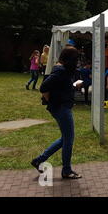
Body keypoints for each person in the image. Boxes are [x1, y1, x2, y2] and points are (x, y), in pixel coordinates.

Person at [31, 46, 82, 179]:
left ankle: (39, 160)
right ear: (69, 59)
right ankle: (66, 170)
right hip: (62, 109)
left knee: (65, 138)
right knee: (68, 139)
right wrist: (52, 103)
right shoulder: (60, 71)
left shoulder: (61, 70)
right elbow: (43, 87)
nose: (76, 63)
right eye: (75, 60)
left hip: (61, 107)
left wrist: (72, 86)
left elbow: (60, 87)